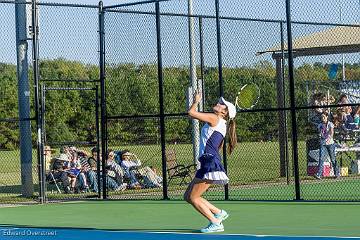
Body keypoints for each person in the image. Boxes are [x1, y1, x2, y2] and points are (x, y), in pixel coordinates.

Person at [184, 92, 237, 233]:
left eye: (222, 104)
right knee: (188, 196)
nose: (218, 103)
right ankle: (218, 213)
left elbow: (191, 113)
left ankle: (216, 222)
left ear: (224, 112)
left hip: (209, 163)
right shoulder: (223, 124)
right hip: (208, 162)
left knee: (193, 197)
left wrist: (196, 101)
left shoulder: (215, 118)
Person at [315, 112, 340, 179]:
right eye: (321, 117)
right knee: (321, 158)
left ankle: (337, 173)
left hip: (330, 144)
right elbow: (319, 133)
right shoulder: (319, 125)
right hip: (323, 144)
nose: (322, 118)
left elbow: (332, 133)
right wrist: (320, 136)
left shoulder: (330, 124)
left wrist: (328, 137)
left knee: (333, 159)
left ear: (327, 117)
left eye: (324, 117)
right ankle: (319, 174)